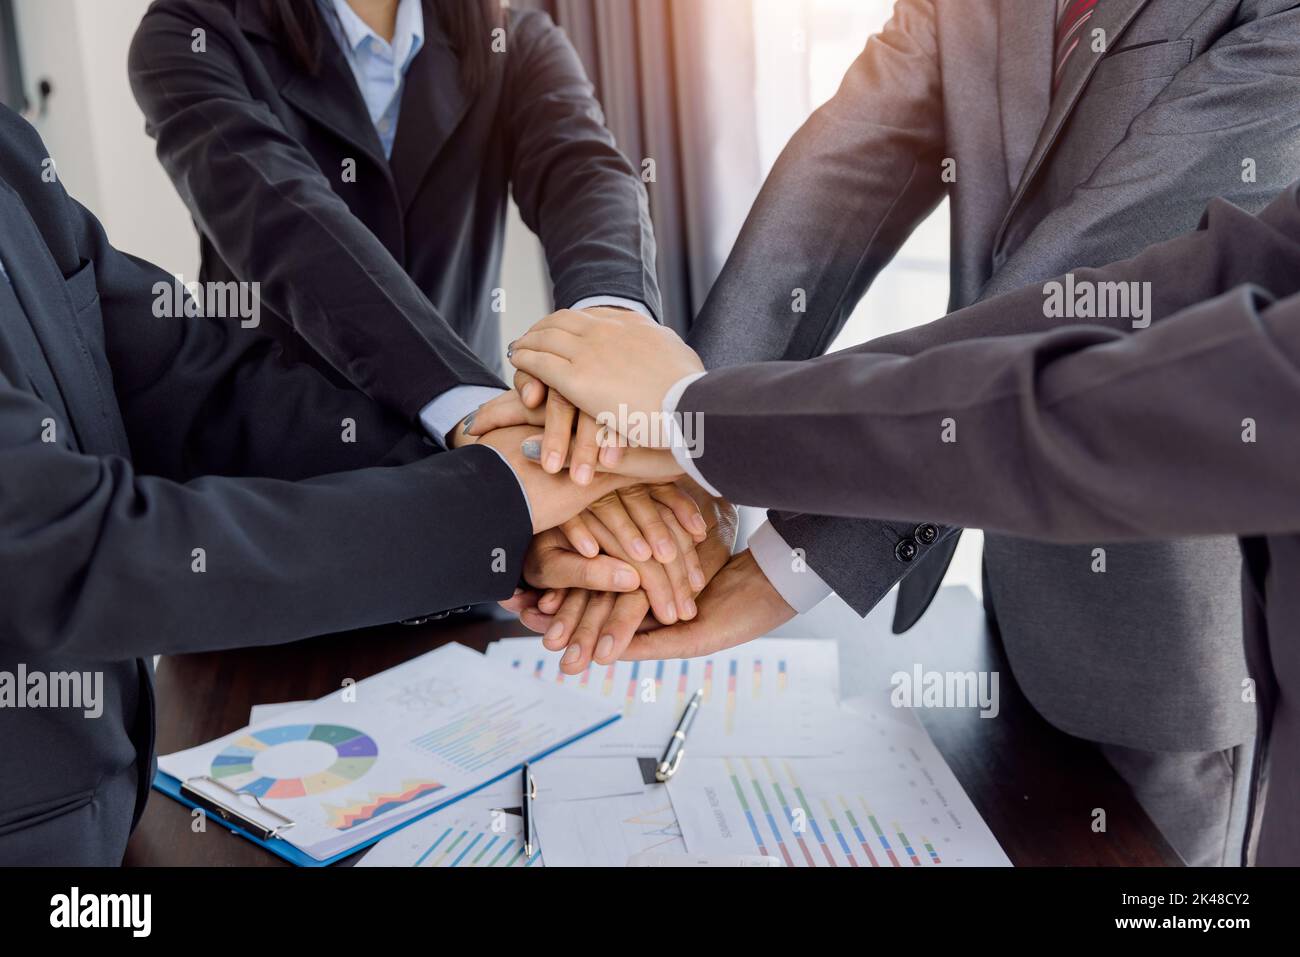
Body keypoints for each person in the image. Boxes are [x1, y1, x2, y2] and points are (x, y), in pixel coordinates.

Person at [485, 0, 1300, 866]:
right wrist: (684, 483)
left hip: (1165, 637)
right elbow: (849, 163)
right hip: (1015, 608)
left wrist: (720, 454)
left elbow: (1100, 282)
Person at [0, 104, 644, 865]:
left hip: (114, 814)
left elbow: (179, 379)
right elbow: (73, 552)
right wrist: (491, 502)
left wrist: (510, 491)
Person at [127, 0, 716, 641]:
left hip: (478, 517)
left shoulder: (509, 35)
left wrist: (608, 340)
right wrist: (492, 428)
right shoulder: (192, 32)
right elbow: (290, 226)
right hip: (279, 517)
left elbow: (584, 172)